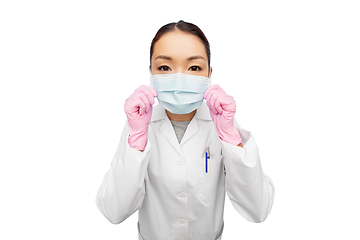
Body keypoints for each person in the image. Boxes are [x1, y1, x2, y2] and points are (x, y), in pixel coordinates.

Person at [96, 20, 275, 240]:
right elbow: (113, 211)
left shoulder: (222, 125)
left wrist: (231, 139)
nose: (180, 78)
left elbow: (258, 209)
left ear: (209, 73)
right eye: (164, 67)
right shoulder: (140, 127)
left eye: (194, 68)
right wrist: (136, 141)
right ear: (150, 72)